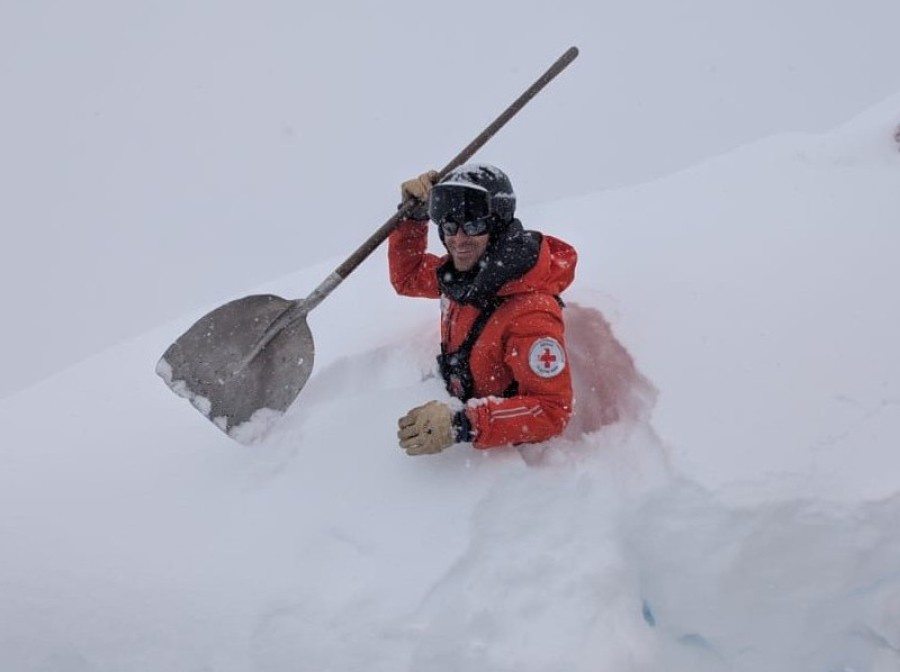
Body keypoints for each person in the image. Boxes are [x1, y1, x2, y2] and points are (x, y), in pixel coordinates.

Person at [389, 163, 578, 456]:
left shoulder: (531, 313)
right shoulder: (462, 276)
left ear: (498, 227)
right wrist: (413, 217)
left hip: (502, 461)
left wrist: (463, 424)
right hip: (454, 397)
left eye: (473, 225)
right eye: (449, 226)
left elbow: (552, 410)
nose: (458, 239)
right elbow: (408, 277)